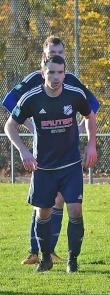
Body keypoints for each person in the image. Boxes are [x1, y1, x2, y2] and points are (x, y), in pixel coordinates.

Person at [1, 35, 100, 266]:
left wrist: (87, 139)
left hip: (69, 160)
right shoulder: (33, 85)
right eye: (51, 54)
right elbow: (10, 105)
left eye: (61, 54)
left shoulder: (72, 83)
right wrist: (32, 128)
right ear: (43, 59)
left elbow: (90, 110)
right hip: (43, 160)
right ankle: (38, 251)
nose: (55, 74)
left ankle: (62, 255)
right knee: (42, 207)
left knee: (68, 205)